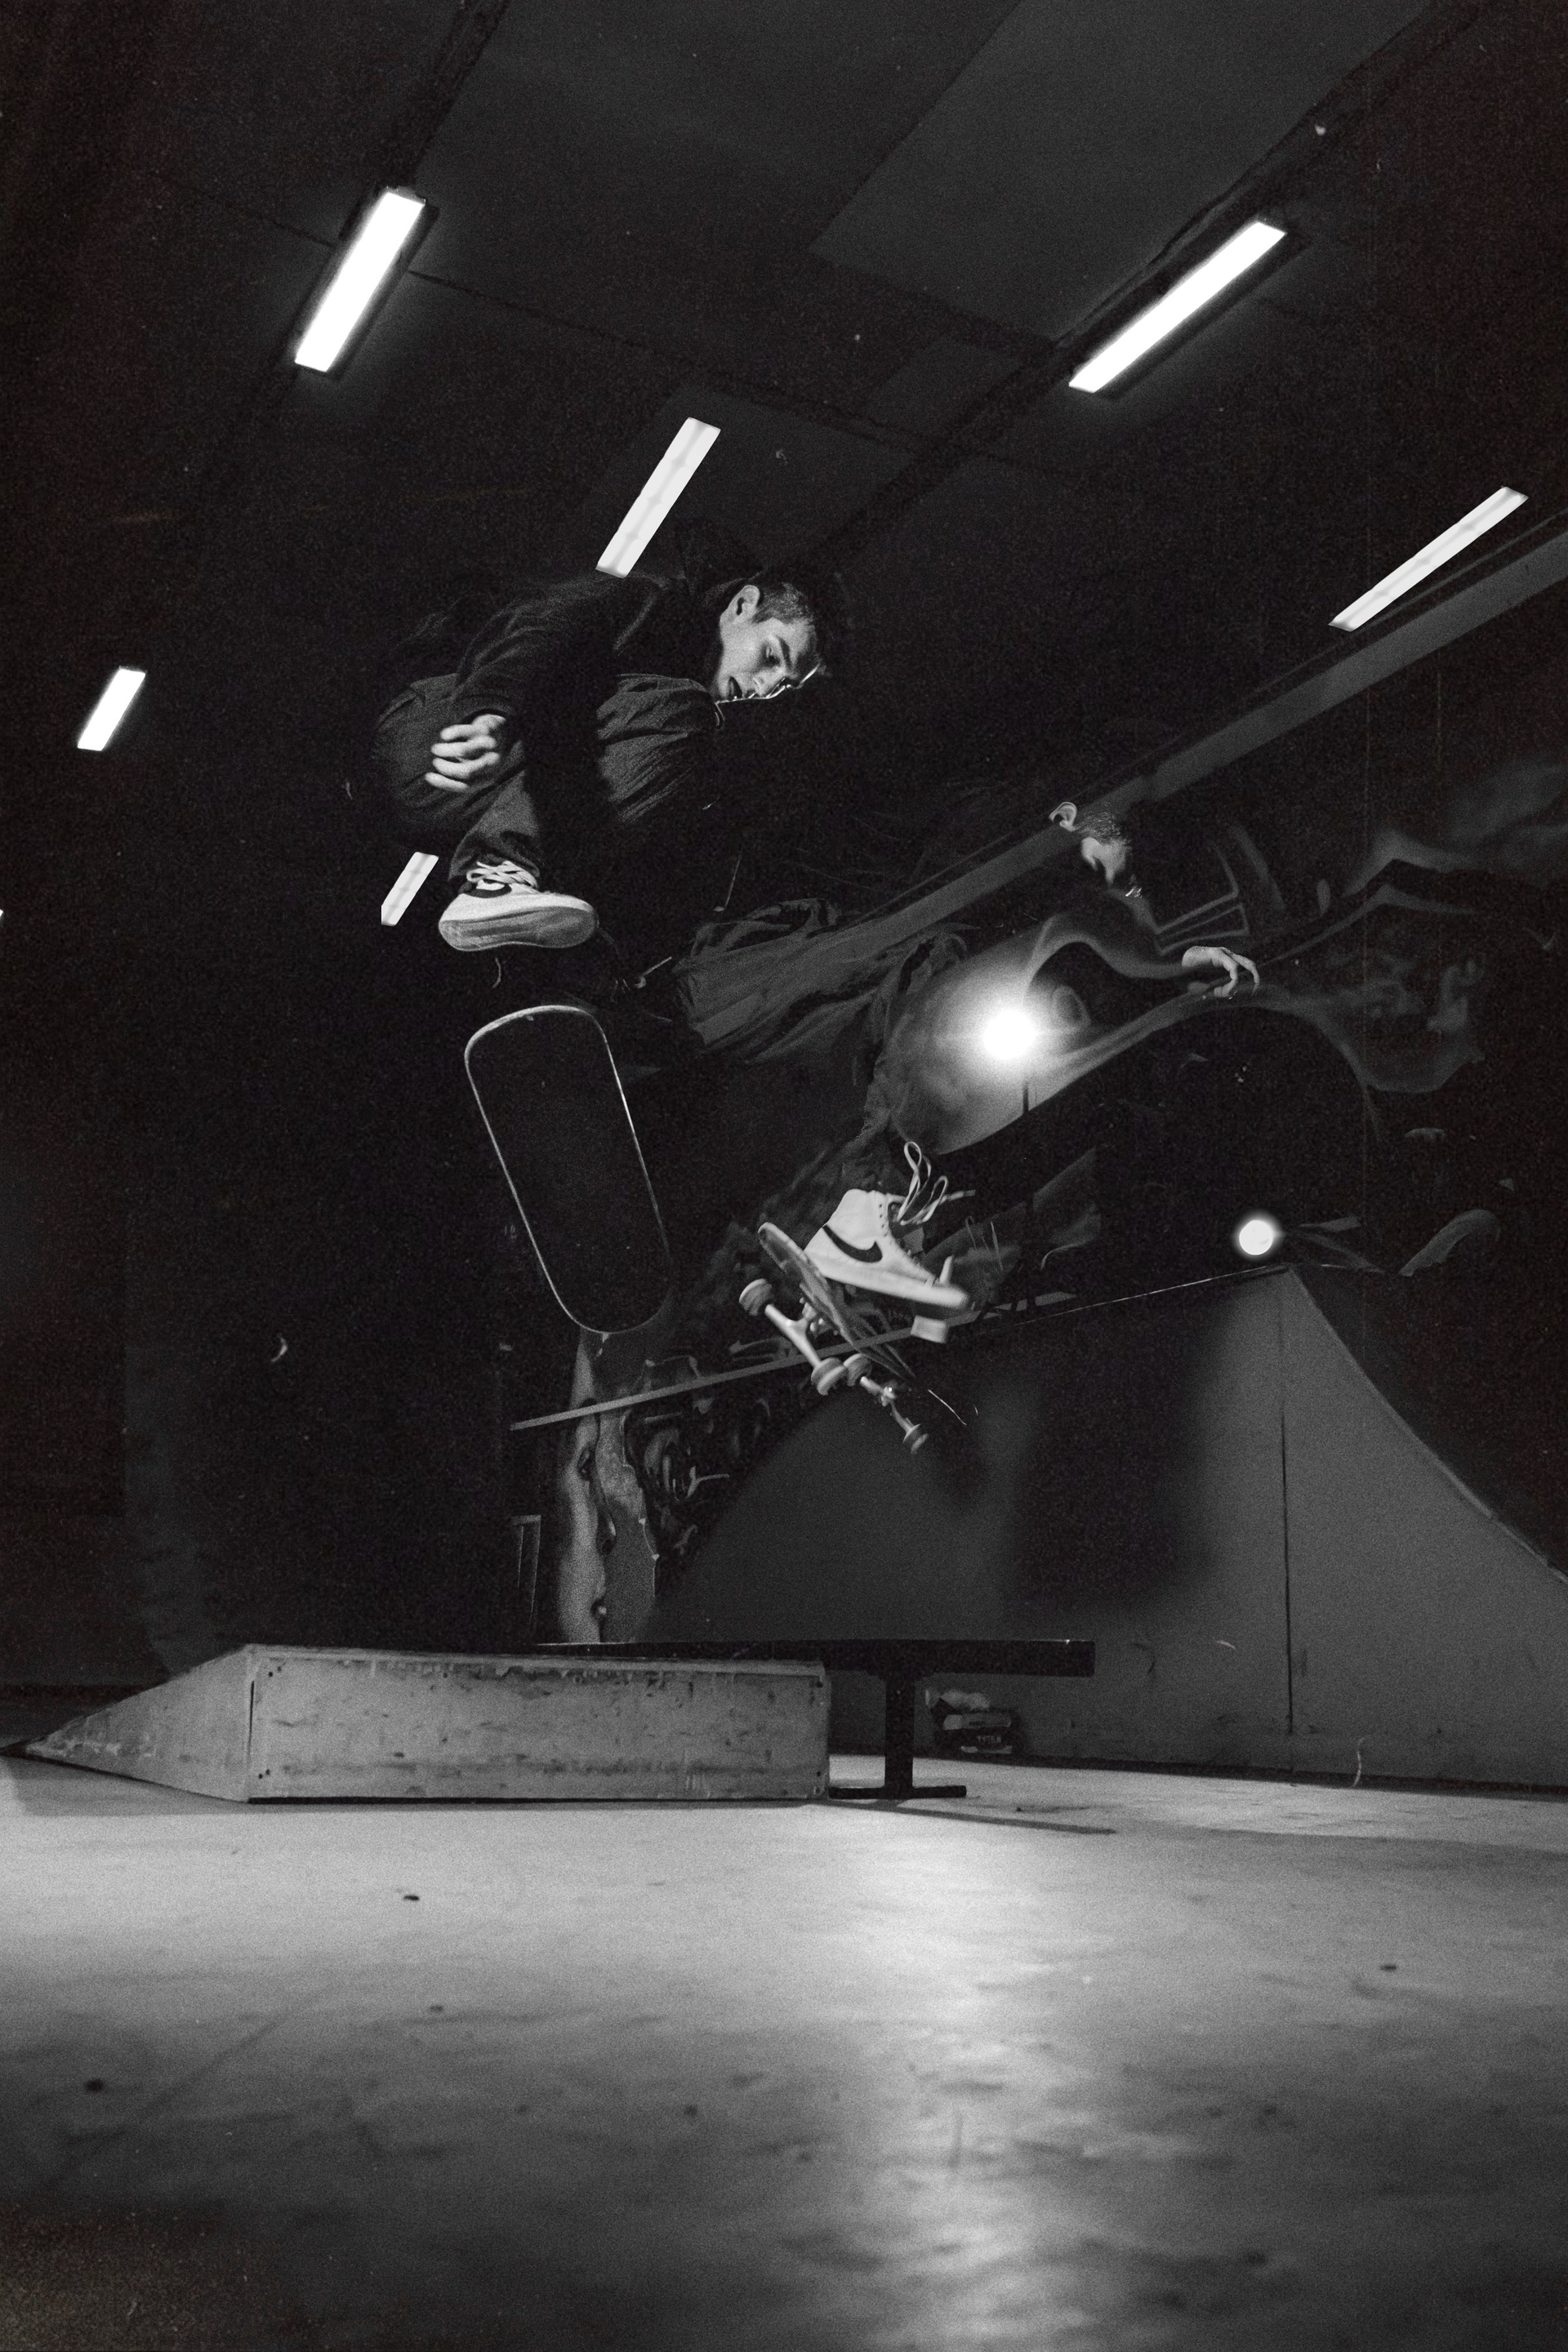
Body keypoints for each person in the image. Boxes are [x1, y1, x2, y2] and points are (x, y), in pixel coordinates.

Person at [370, 545, 834, 955]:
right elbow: (543, 629)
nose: (764, 688)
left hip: (457, 803)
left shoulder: (667, 738)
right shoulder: (648, 604)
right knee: (688, 712)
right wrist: (492, 710)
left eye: (784, 685)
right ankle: (498, 869)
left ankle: (509, 905)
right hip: (432, 730)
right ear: (742, 605)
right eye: (771, 657)